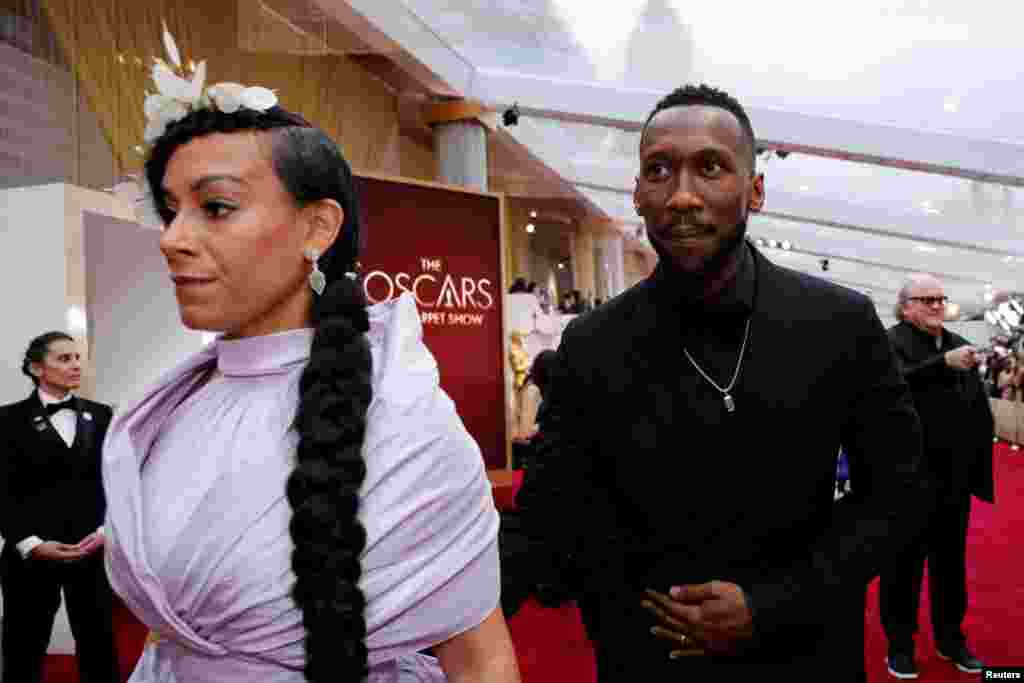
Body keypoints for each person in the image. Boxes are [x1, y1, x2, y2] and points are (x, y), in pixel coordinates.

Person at [101, 34, 520, 683]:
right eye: (169, 210)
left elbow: (481, 660)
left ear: (317, 229)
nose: (172, 239)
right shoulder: (166, 412)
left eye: (215, 207)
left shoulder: (406, 419)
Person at [515, 83, 931, 682]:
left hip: (803, 656)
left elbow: (898, 495)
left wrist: (771, 603)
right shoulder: (592, 344)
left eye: (710, 167)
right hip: (646, 660)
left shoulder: (839, 323)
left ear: (755, 190)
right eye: (659, 171)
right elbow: (550, 514)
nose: (682, 196)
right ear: (636, 193)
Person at [879, 274, 994, 678]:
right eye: (926, 299)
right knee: (903, 567)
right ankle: (899, 644)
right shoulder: (888, 343)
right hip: (907, 479)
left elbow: (977, 409)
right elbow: (888, 391)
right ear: (905, 306)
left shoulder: (962, 345)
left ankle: (950, 639)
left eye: (940, 299)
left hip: (953, 481)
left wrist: (979, 471)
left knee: (951, 567)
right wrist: (939, 365)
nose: (935, 305)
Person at [0, 332, 119, 683]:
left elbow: (113, 481)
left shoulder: (100, 415)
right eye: (64, 359)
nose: (76, 365)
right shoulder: (7, 420)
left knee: (99, 643)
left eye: (77, 358)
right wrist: (31, 544)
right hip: (31, 556)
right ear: (37, 368)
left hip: (92, 550)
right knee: (23, 646)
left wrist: (103, 533)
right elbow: (3, 490)